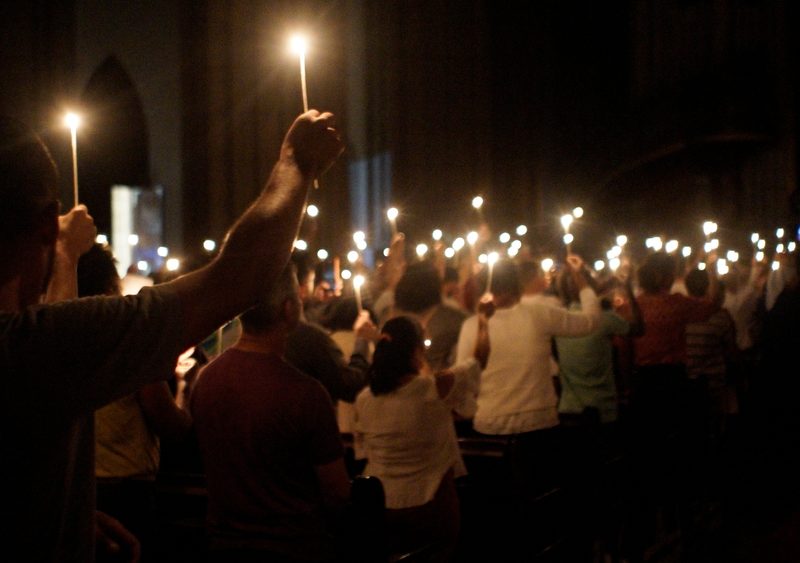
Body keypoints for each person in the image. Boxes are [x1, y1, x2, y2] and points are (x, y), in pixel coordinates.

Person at [0, 110, 342, 562]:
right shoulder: (28, 349)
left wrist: (67, 514)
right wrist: (297, 165)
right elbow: (239, 277)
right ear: (48, 224)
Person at [191, 265, 351, 562]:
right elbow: (338, 493)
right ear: (288, 309)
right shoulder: (305, 394)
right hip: (293, 547)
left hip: (222, 546)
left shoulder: (206, 379)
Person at [77, 243, 193, 562]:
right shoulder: (127, 341)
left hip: (76, 487)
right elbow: (170, 424)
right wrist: (183, 386)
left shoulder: (54, 337)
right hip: (126, 494)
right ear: (112, 287)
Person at [354, 308, 490, 562]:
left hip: (382, 511)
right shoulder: (435, 388)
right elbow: (478, 360)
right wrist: (483, 321)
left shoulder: (364, 400)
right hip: (432, 510)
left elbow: (363, 451)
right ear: (417, 350)